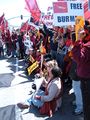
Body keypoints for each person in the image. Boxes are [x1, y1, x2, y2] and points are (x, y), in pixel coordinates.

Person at [72, 25, 90, 120]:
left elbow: (79, 57)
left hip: (87, 80)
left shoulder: (87, 47)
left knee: (87, 105)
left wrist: (78, 40)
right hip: (86, 79)